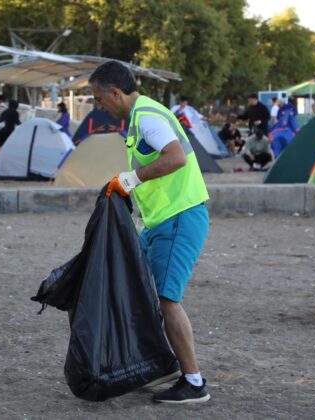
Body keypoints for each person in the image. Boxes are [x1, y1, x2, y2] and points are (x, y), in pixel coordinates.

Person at [91, 61, 211, 404]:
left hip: (179, 218)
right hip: (164, 221)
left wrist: (132, 179)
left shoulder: (147, 117)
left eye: (100, 100)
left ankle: (194, 383)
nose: (100, 107)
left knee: (165, 300)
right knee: (141, 290)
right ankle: (161, 364)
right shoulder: (141, 117)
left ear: (115, 92)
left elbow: (176, 158)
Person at [0, 99, 20, 163]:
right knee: (8, 147)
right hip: (9, 132)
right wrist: (24, 125)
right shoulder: (15, 113)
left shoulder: (4, 112)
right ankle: (5, 161)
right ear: (16, 106)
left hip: (2, 131)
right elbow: (17, 122)